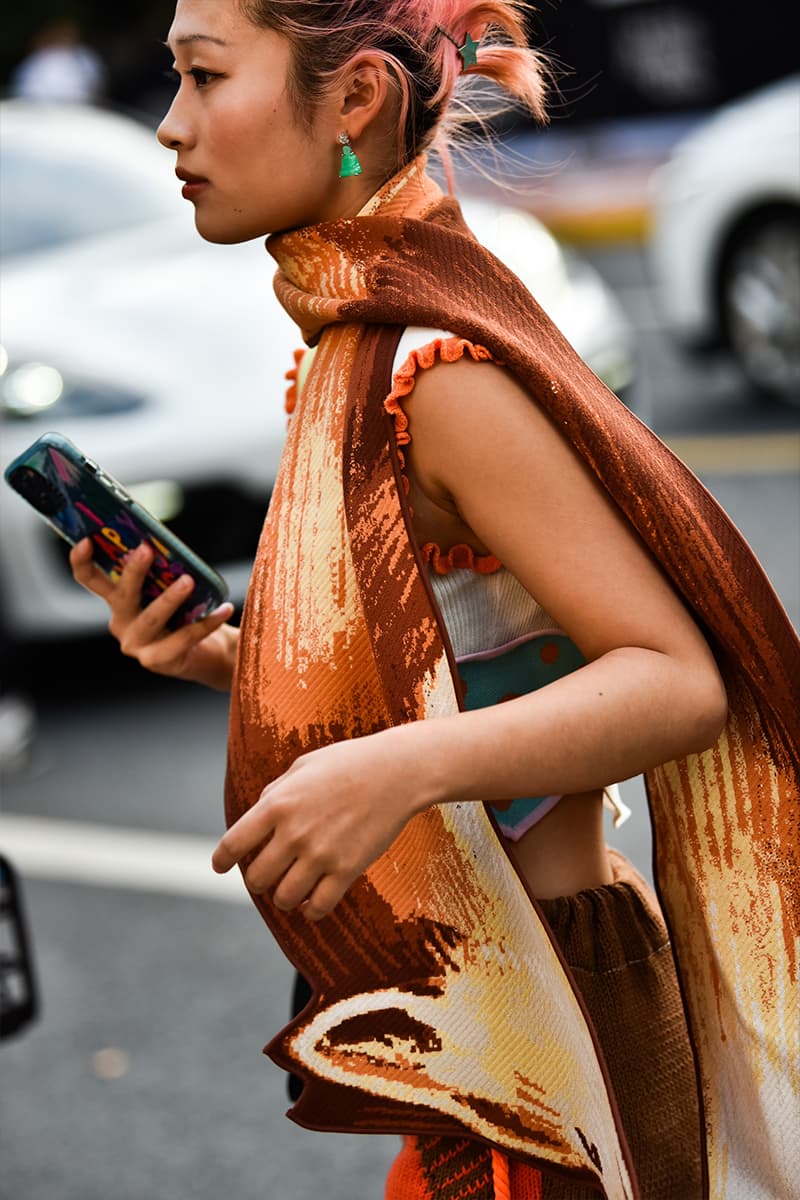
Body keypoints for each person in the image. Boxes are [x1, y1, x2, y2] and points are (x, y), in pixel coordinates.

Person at [69, 2, 799, 1198]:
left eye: (203, 77)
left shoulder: (431, 371)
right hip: (478, 1013)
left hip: (557, 1024)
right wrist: (228, 657)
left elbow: (670, 679)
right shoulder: (355, 331)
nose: (169, 126)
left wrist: (394, 770)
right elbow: (489, 658)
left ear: (353, 100)